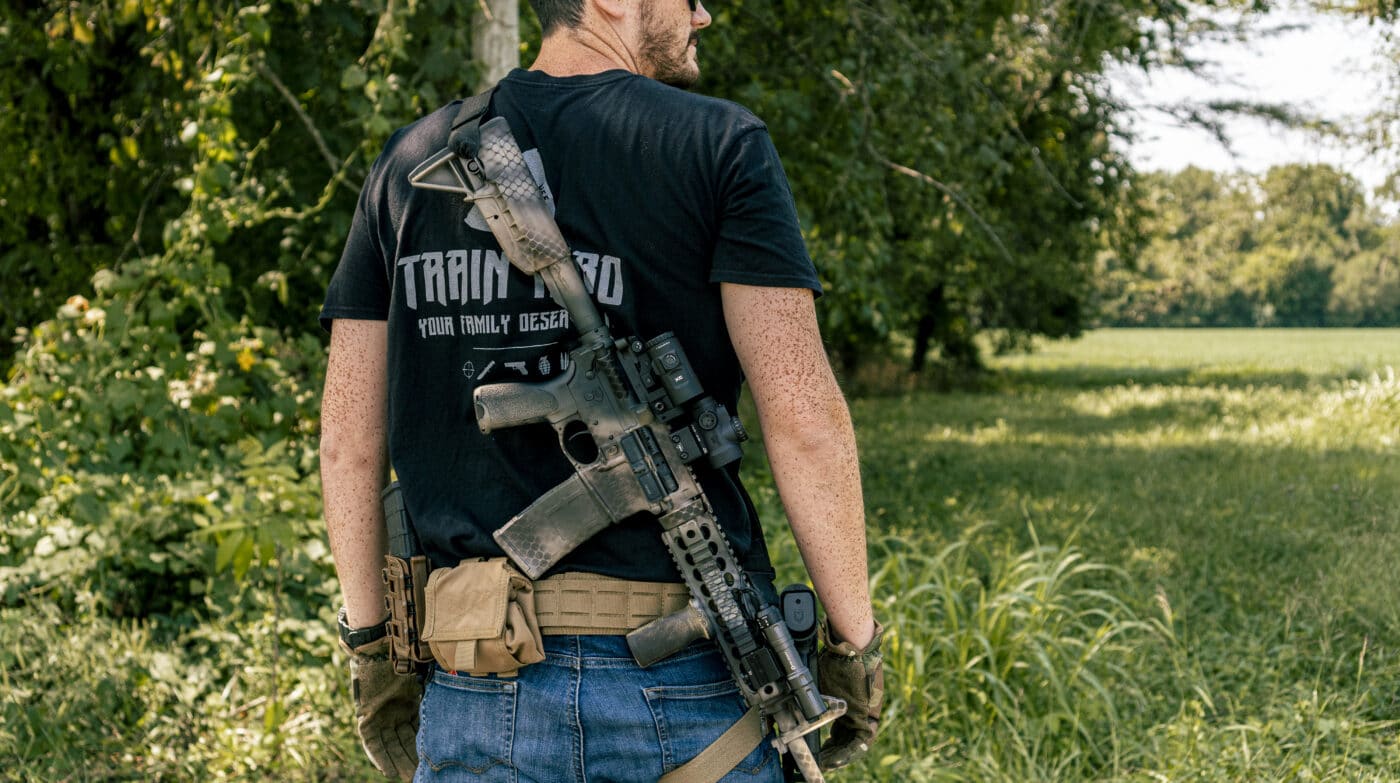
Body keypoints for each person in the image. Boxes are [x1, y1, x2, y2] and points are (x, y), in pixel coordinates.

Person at [318, 0, 882, 780]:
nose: (705, 15)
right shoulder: (718, 144)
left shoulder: (404, 164)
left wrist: (372, 646)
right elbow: (804, 418)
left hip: (480, 689)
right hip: (686, 699)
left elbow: (348, 441)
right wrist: (854, 644)